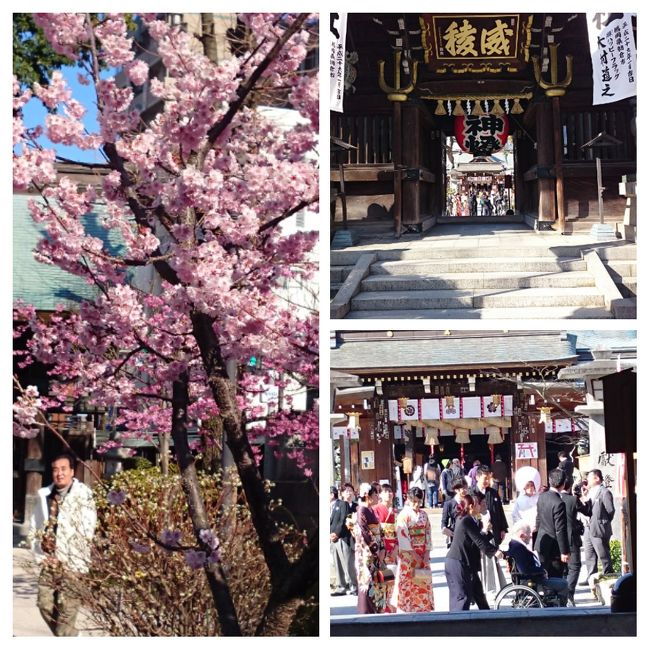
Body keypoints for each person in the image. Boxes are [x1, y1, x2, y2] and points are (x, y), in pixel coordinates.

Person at [30, 453, 97, 636]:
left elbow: (87, 529)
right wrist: (40, 555)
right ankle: (70, 636)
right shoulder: (45, 495)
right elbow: (35, 526)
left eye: (63, 469)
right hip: (49, 561)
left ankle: (66, 636)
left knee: (67, 610)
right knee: (44, 604)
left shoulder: (84, 495)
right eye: (55, 470)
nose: (59, 473)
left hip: (72, 563)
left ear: (72, 471)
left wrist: (72, 558)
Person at [444, 493, 503, 611]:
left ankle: (488, 620)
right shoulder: (465, 520)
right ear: (471, 506)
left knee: (479, 594)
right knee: (462, 597)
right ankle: (458, 626)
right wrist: (494, 551)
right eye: (480, 504)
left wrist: (486, 531)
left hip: (468, 563)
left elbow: (476, 539)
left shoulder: (471, 519)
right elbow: (479, 541)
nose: (483, 506)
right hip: (458, 561)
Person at [505, 521, 569, 606]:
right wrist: (541, 571)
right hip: (532, 581)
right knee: (563, 584)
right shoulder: (518, 548)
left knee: (561, 581)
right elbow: (524, 570)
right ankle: (561, 609)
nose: (531, 536)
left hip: (532, 579)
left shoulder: (514, 545)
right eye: (528, 533)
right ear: (521, 535)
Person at [392, 487, 434, 613]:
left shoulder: (424, 515)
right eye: (414, 501)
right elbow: (403, 536)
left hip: (422, 552)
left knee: (422, 579)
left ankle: (423, 607)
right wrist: (414, 554)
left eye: (419, 501)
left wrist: (427, 552)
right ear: (408, 499)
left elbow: (427, 533)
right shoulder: (403, 515)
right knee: (408, 582)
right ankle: (407, 608)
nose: (416, 504)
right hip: (408, 555)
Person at [353, 483, 386, 614]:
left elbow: (380, 530)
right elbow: (364, 531)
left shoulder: (372, 510)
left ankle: (379, 608)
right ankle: (366, 611)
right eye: (375, 494)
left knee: (379, 578)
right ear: (367, 496)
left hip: (377, 551)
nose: (378, 496)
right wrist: (375, 548)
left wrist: (382, 548)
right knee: (367, 579)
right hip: (366, 552)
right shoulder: (361, 510)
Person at [580, 468, 616, 582]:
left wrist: (602, 521)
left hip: (599, 527)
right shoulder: (589, 492)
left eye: (589, 478)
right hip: (588, 527)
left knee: (603, 554)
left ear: (596, 478)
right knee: (589, 554)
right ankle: (591, 577)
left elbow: (610, 510)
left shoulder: (604, 492)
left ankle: (608, 574)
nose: (587, 480)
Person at [534, 468, 570, 578]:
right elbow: (560, 529)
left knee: (543, 575)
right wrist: (564, 551)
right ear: (563, 484)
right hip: (554, 546)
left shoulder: (542, 497)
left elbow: (538, 519)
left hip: (541, 541)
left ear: (550, 481)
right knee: (555, 577)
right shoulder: (559, 503)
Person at [560, 474, 588, 605]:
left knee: (562, 568)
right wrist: (585, 498)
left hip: (556, 537)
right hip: (571, 537)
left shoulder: (552, 498)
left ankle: (561, 594)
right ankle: (569, 593)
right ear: (570, 486)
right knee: (575, 566)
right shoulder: (573, 500)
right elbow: (587, 511)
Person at [330, 483, 357, 596]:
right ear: (341, 493)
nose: (348, 493)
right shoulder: (337, 504)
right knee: (337, 563)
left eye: (350, 490)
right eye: (346, 491)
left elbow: (343, 521)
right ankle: (341, 586)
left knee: (348, 562)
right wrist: (331, 534)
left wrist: (337, 533)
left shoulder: (355, 506)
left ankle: (353, 585)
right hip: (334, 538)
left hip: (346, 537)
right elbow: (333, 520)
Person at [473, 465, 508, 543]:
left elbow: (500, 510)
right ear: (477, 477)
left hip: (493, 529)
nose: (488, 481)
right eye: (485, 478)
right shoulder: (471, 493)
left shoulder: (493, 493)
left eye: (489, 479)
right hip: (478, 531)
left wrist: (503, 528)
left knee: (494, 551)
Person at [441, 479, 467, 548]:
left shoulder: (469, 501)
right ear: (456, 490)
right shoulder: (448, 504)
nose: (465, 490)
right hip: (455, 535)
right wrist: (445, 529)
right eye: (463, 488)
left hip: (468, 534)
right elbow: (444, 522)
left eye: (466, 487)